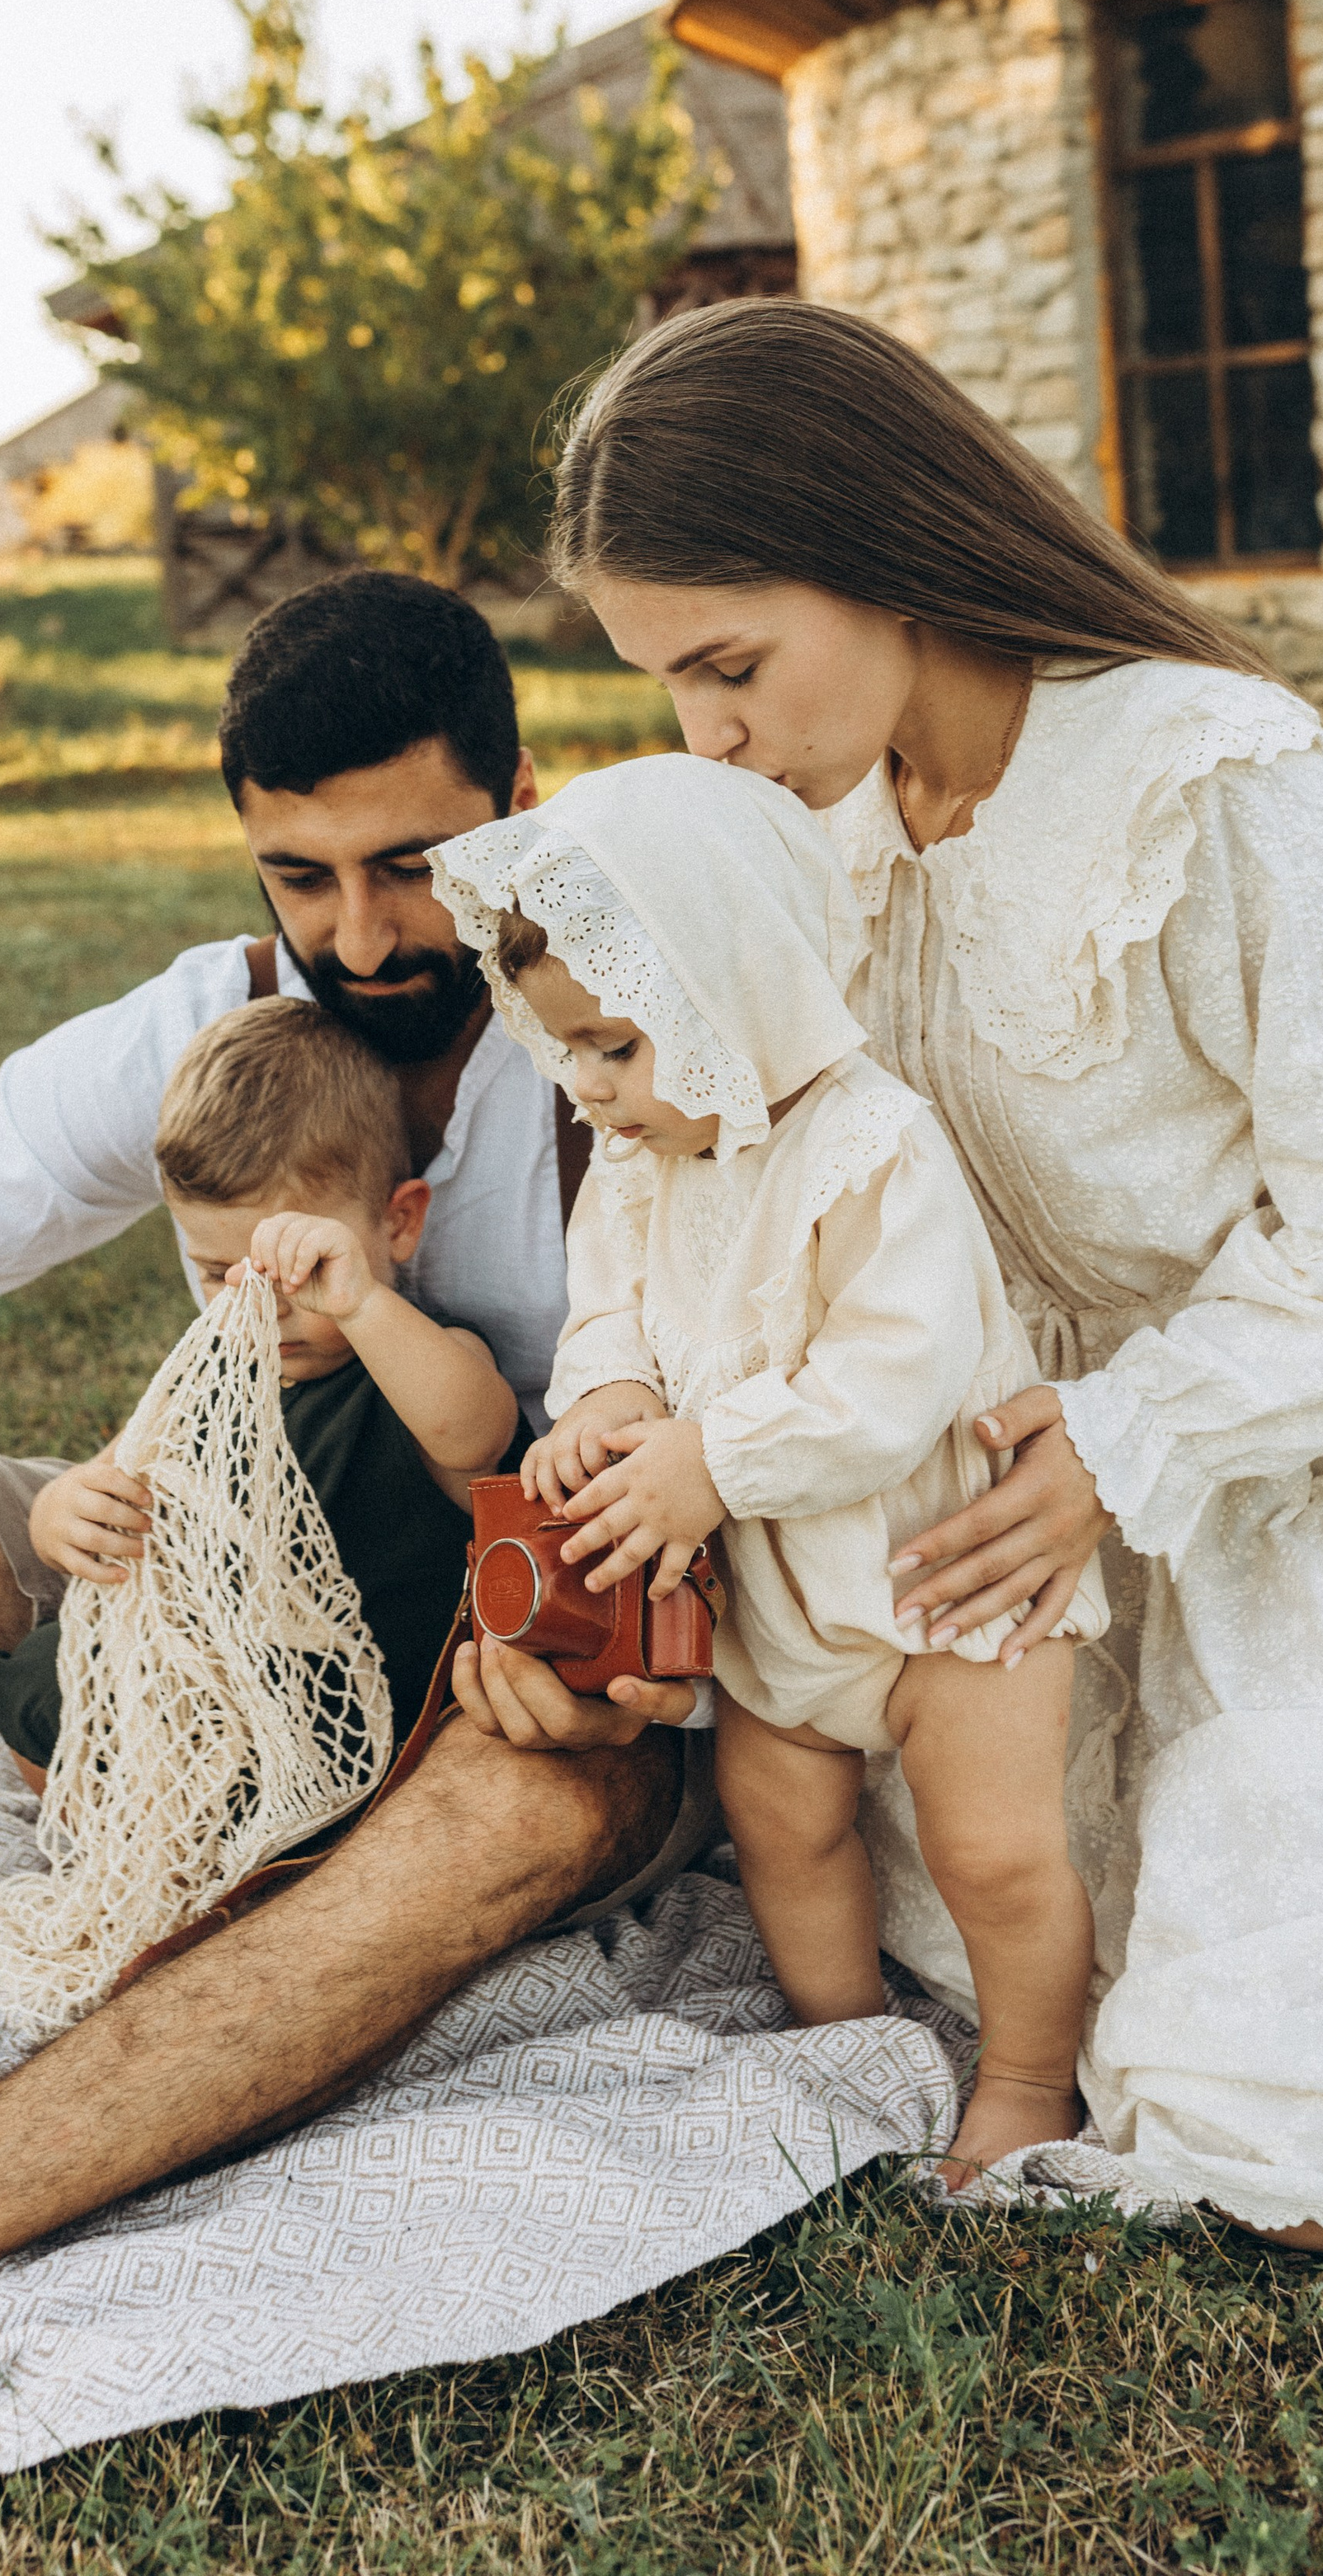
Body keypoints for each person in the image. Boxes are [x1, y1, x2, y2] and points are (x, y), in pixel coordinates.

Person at [530, 294, 1323, 2268]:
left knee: (1285, 2088)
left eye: (729, 664)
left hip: (1309, 1444)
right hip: (997, 1517)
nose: (708, 733)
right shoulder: (809, 831)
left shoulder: (1194, 773)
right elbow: (703, 1151)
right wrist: (628, 1381)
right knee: (979, 1908)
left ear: (870, 549)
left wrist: (1130, 1438)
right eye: (670, 682)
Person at [0, 572, 810, 2397]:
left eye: (410, 862)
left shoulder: (643, 1008)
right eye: (298, 877)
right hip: (233, 1581)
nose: (358, 938)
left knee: (506, 1815)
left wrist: (636, 1659)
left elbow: (832, 1357)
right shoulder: (216, 1025)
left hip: (564, 1650)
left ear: (522, 791)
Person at [436, 753, 1111, 2187]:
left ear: (728, 987)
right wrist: (611, 1396)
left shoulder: (873, 1147)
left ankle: (1031, 2080)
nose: (587, 1085)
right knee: (782, 1824)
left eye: (615, 1044)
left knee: (994, 1857)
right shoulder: (645, 1159)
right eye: (565, 1048)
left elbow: (892, 1377)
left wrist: (711, 1459)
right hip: (780, 1611)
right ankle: (843, 2038)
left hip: (947, 1588)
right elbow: (609, 1302)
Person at [0, 997, 520, 1782]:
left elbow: (474, 1436)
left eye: (300, 1274)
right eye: (215, 1274)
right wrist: (61, 1511)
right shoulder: (212, 1371)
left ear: (397, 1224)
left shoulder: (420, 1363)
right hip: (212, 1681)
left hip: (353, 1703)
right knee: (46, 1690)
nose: (257, 1310)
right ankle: (145, 1846)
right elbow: (117, 1471)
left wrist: (363, 1304)